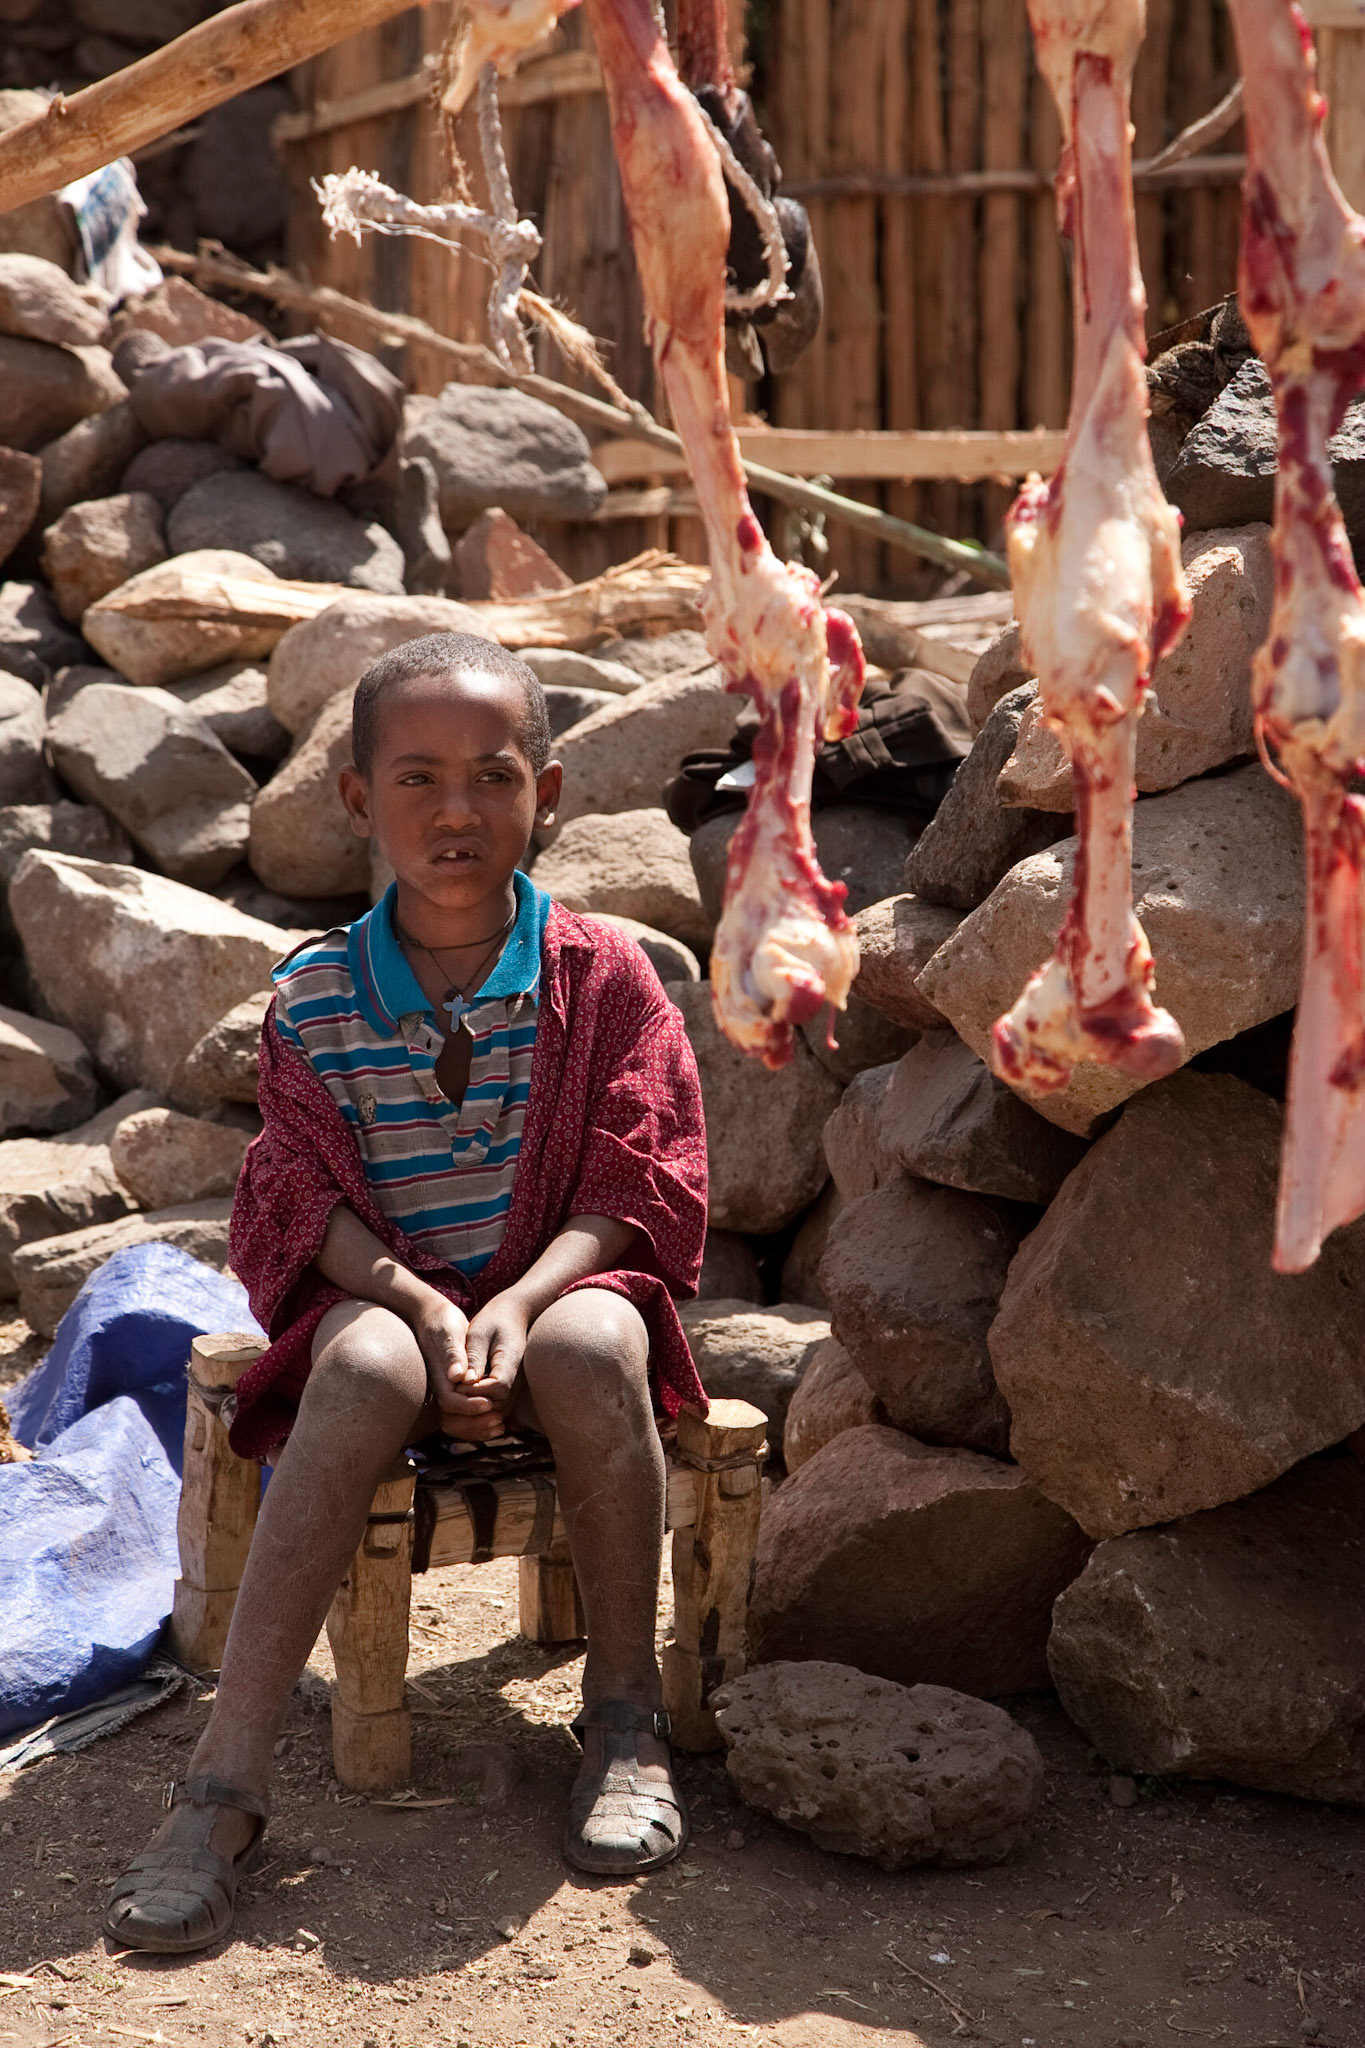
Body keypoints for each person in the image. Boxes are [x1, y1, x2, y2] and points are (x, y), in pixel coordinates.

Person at [103, 632, 709, 1954]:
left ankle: (620, 1720)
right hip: (392, 1312)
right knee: (365, 1363)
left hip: (556, 1310)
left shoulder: (604, 975)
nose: (456, 812)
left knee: (597, 1341)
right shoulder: (315, 997)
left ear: (545, 791)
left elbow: (634, 1178)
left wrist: (516, 1303)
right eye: (418, 778)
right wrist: (433, 1310)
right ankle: (222, 1789)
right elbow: (299, 1209)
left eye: (492, 777)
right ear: (357, 799)